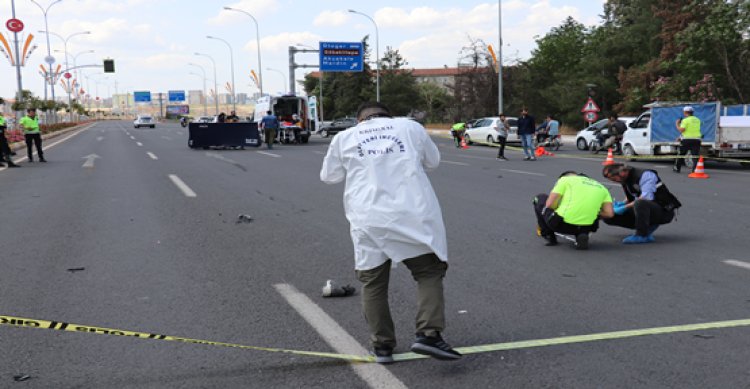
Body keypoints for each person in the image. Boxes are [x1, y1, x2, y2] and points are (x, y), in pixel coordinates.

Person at [320, 102, 462, 364]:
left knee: (373, 283)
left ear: (359, 120)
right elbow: (433, 161)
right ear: (388, 115)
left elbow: (329, 176)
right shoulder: (410, 127)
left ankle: (382, 346)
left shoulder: (344, 137)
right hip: (412, 215)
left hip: (367, 218)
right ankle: (428, 334)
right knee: (428, 272)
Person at [602, 163, 682, 244]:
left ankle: (642, 235)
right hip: (644, 209)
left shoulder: (646, 175)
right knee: (608, 215)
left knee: (640, 203)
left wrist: (624, 207)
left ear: (622, 172)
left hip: (663, 210)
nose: (614, 181)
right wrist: (620, 205)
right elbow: (633, 195)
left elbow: (646, 197)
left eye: (614, 179)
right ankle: (644, 226)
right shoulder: (625, 179)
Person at [533, 171, 614, 249]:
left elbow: (549, 204)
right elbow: (609, 214)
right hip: (588, 227)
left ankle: (549, 235)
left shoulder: (565, 180)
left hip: (561, 225)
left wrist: (557, 207)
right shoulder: (602, 187)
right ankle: (581, 234)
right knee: (593, 211)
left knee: (540, 198)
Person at [673, 106, 702, 173]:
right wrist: (680, 137)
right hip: (697, 140)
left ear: (685, 112)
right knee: (695, 155)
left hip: (686, 140)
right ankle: (695, 170)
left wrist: (677, 124)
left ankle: (677, 168)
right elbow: (692, 130)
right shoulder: (697, 120)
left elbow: (682, 130)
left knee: (681, 154)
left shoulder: (685, 120)